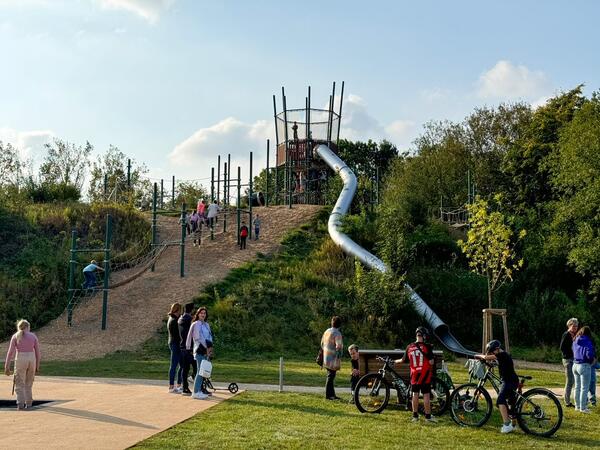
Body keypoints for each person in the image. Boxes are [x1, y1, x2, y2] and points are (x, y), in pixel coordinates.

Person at [475, 340, 519, 433]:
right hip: (511, 380)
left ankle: (507, 425)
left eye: (492, 352)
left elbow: (486, 357)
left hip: (509, 381)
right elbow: (497, 362)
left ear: (497, 349)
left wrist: (478, 356)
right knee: (508, 402)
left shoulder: (502, 355)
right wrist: (489, 363)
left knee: (500, 400)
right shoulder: (503, 356)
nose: (491, 354)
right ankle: (513, 424)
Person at [395, 327, 437, 423]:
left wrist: (394, 361)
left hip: (414, 374)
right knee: (426, 394)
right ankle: (427, 417)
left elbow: (402, 360)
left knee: (415, 394)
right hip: (424, 374)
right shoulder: (427, 347)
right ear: (424, 336)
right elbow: (431, 362)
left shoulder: (409, 347)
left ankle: (415, 416)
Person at [4, 319, 41, 410]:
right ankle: (29, 403)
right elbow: (38, 353)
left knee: (20, 382)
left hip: (20, 358)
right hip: (31, 359)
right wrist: (37, 366)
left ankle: (20, 404)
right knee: (29, 383)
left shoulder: (15, 336)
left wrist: (7, 367)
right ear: (28, 327)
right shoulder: (33, 336)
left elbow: (10, 353)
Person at [186, 306, 213, 400]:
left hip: (206, 350)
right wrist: (205, 347)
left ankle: (199, 391)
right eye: (201, 313)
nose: (203, 315)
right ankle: (196, 392)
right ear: (198, 314)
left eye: (204, 313)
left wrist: (210, 348)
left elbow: (210, 337)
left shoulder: (206, 325)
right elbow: (197, 338)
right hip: (199, 350)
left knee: (203, 371)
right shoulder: (196, 324)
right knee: (199, 372)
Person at [572, 326, 596, 413]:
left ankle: (577, 406)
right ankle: (583, 408)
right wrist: (591, 360)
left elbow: (573, 350)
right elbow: (589, 352)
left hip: (575, 364)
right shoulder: (587, 340)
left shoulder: (575, 339)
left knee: (577, 387)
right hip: (584, 365)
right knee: (584, 388)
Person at [321, 316, 343, 400]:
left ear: (332, 323)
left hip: (326, 357)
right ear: (339, 325)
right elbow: (339, 346)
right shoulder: (337, 333)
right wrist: (339, 355)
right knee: (330, 377)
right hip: (333, 359)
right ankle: (328, 395)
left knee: (330, 376)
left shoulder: (327, 331)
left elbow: (322, 343)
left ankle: (332, 395)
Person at [178, 303, 197, 395]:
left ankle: (185, 387)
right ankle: (197, 385)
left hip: (182, 346)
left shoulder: (180, 319)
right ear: (192, 310)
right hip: (190, 347)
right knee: (197, 367)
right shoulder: (190, 320)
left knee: (185, 369)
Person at [560, 317, 579, 407]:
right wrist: (571, 352)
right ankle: (567, 402)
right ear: (569, 325)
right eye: (574, 326)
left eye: (577, 326)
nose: (575, 328)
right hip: (568, 359)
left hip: (573, 359)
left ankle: (570, 400)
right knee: (570, 381)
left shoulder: (574, 335)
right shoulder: (566, 334)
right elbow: (562, 347)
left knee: (573, 380)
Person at [167, 303, 183, 394]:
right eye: (180, 310)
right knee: (174, 365)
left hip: (174, 343)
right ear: (178, 310)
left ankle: (179, 385)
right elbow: (177, 334)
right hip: (175, 344)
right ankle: (171, 386)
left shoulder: (172, 318)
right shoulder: (174, 320)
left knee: (181, 365)